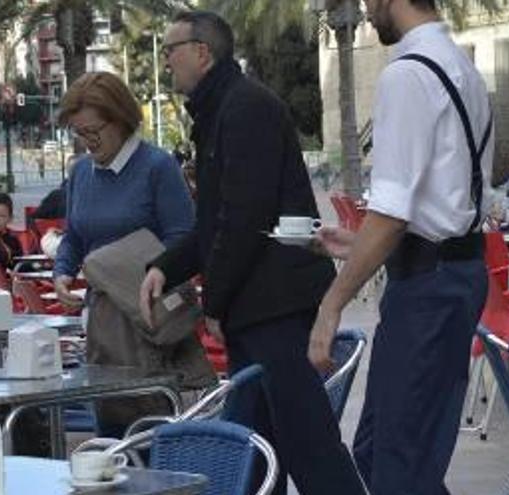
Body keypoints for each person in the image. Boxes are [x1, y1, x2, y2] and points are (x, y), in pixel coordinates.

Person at [139, 12, 366, 495]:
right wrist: (165, 266)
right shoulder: (220, 108)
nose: (165, 62)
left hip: (276, 306)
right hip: (258, 307)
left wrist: (215, 303)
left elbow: (243, 218)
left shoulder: (245, 108)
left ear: (202, 52)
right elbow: (215, 220)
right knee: (257, 447)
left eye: (170, 49)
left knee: (307, 442)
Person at [307, 1, 494, 493]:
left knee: (399, 463)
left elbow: (392, 212)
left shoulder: (407, 75)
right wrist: (363, 243)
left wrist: (331, 305)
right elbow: (439, 200)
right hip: (452, 274)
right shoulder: (463, 68)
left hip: (430, 288)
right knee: (387, 451)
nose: (367, 11)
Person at [54, 71, 197, 435]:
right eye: (78, 132)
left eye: (93, 131)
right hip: (100, 319)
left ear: (120, 120)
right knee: (110, 430)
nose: (87, 141)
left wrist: (152, 269)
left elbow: (184, 235)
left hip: (146, 318)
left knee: (149, 427)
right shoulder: (82, 172)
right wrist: (62, 272)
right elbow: (73, 235)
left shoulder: (157, 166)